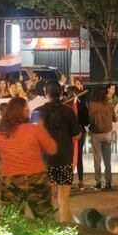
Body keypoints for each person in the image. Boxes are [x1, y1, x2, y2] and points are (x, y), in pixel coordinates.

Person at [0, 97, 58, 219]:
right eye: (26, 109)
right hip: (36, 180)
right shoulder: (34, 130)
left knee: (12, 221)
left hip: (10, 182)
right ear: (21, 112)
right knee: (45, 220)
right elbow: (52, 149)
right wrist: (42, 128)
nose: (28, 111)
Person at [37, 81, 82, 222]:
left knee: (49, 200)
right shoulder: (68, 111)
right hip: (65, 159)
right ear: (61, 92)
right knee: (64, 202)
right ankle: (65, 231)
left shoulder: (38, 112)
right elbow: (77, 135)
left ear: (45, 93)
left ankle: (49, 231)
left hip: (45, 161)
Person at [89, 86, 117, 191]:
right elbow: (115, 119)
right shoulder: (110, 105)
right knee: (107, 159)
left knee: (97, 159)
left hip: (96, 133)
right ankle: (108, 183)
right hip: (107, 134)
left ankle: (98, 183)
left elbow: (90, 120)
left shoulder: (92, 105)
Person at [68, 85, 90, 190]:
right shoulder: (82, 104)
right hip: (80, 132)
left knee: (70, 157)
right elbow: (87, 121)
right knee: (79, 156)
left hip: (69, 134)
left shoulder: (66, 105)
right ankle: (80, 181)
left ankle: (70, 180)